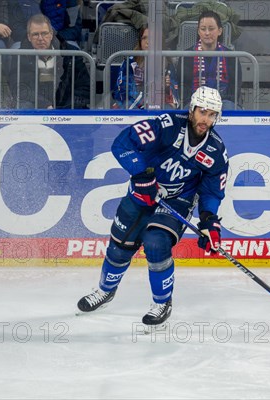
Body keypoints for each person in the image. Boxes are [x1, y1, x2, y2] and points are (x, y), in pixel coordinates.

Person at [77, 86, 229, 330]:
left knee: (156, 242)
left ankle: (162, 303)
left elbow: (211, 191)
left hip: (177, 201)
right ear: (192, 110)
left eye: (213, 115)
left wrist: (209, 221)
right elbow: (123, 143)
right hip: (141, 194)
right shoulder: (167, 126)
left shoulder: (216, 151)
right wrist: (142, 174)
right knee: (119, 247)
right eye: (203, 112)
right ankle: (105, 291)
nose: (206, 120)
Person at [8, 13, 90, 109]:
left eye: (44, 33)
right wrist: (45, 105)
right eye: (35, 34)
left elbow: (84, 88)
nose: (40, 38)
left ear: (51, 34)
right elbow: (19, 89)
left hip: (66, 109)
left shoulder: (71, 53)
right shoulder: (20, 56)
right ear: (29, 37)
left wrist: (62, 110)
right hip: (36, 107)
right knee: (24, 105)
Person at [179, 10, 241, 110]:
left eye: (211, 29)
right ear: (198, 31)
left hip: (223, 102)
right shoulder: (187, 56)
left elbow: (235, 88)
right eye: (203, 29)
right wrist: (198, 100)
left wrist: (216, 101)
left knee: (229, 107)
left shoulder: (231, 56)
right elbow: (183, 87)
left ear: (220, 31)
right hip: (195, 101)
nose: (207, 33)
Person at [112, 26, 179, 109]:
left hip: (160, 105)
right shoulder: (130, 62)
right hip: (133, 105)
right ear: (140, 41)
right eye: (144, 38)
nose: (148, 42)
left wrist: (167, 87)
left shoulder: (167, 62)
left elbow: (175, 91)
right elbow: (121, 90)